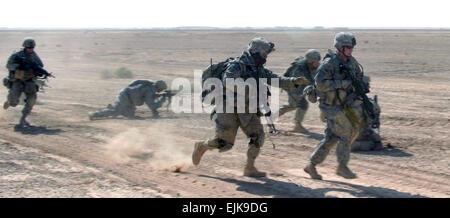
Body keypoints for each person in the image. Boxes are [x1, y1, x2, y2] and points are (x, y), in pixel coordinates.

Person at [192, 37, 309, 177]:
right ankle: (202, 146)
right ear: (255, 52)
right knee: (225, 143)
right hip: (228, 107)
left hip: (247, 109)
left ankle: (249, 168)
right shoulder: (238, 65)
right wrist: (248, 87)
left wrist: (294, 81)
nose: (266, 57)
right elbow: (228, 80)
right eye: (264, 54)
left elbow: (277, 80)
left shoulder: (260, 70)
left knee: (257, 136)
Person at [304, 32, 366, 180]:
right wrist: (342, 84)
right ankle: (342, 166)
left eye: (351, 48)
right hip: (329, 106)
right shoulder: (329, 64)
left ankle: (311, 165)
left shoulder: (351, 62)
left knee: (332, 138)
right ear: (339, 47)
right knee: (345, 132)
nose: (350, 50)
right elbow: (320, 84)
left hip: (344, 104)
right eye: (347, 47)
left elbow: (357, 78)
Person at [4, 37, 45, 128]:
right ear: (24, 47)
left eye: (32, 48)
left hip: (29, 81)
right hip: (17, 80)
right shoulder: (17, 55)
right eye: (28, 48)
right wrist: (19, 66)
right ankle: (9, 101)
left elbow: (40, 65)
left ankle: (23, 118)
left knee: (32, 100)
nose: (30, 49)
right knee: (13, 102)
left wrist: (39, 71)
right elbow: (8, 65)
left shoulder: (34, 56)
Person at [279, 49, 321, 132]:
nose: (318, 63)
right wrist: (300, 95)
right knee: (300, 104)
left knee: (293, 105)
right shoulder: (300, 68)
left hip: (300, 86)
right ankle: (297, 126)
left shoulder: (310, 66)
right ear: (311, 61)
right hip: (292, 86)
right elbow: (294, 83)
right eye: (317, 61)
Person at [88, 80, 168, 120]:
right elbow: (152, 105)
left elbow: (148, 97)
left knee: (131, 116)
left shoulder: (150, 87)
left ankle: (115, 107)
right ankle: (93, 114)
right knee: (115, 112)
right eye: (161, 90)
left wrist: (159, 96)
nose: (161, 91)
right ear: (159, 88)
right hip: (126, 98)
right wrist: (163, 99)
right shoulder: (149, 90)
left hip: (129, 99)